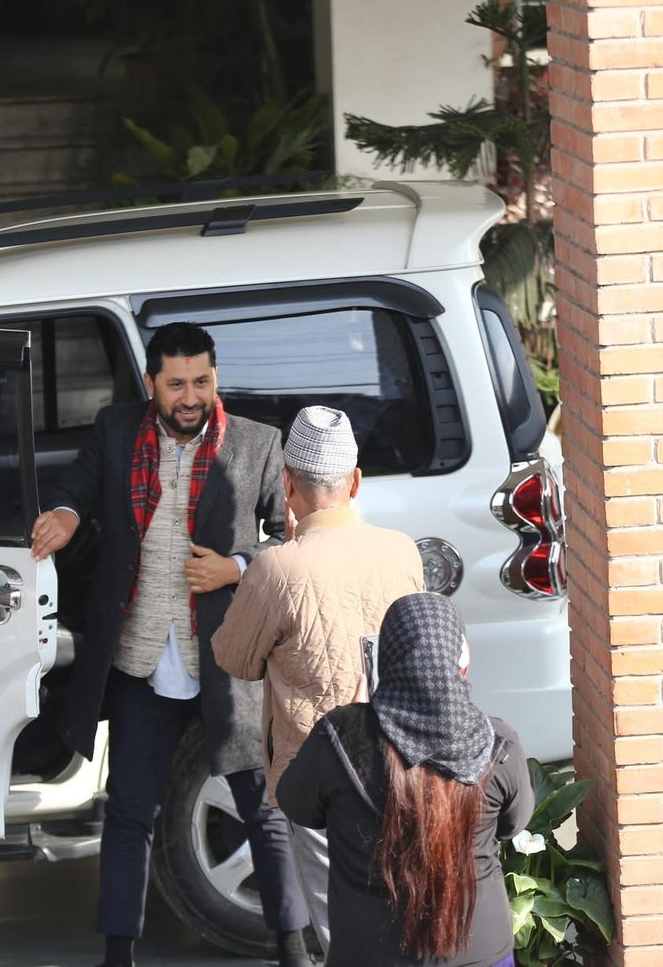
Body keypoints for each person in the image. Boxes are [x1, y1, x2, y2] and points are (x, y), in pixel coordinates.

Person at [30, 322, 312, 967]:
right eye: (177, 384)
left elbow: (290, 542)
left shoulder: (257, 443)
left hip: (228, 665)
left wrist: (236, 567)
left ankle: (294, 952)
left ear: (216, 378)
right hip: (140, 663)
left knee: (264, 811)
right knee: (129, 813)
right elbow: (75, 489)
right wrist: (66, 515)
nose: (191, 397)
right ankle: (117, 955)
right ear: (151, 383)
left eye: (202, 382)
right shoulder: (115, 431)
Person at [212, 404, 425, 950]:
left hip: (319, 773)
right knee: (405, 917)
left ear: (287, 484)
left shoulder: (277, 567)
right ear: (355, 481)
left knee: (339, 932)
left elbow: (233, 659)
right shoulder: (401, 550)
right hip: (402, 763)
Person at [278, 593, 533, 967]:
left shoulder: (338, 738)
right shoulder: (498, 744)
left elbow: (296, 804)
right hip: (480, 950)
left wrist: (352, 716)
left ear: (385, 659)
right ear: (462, 662)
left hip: (369, 953)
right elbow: (514, 824)